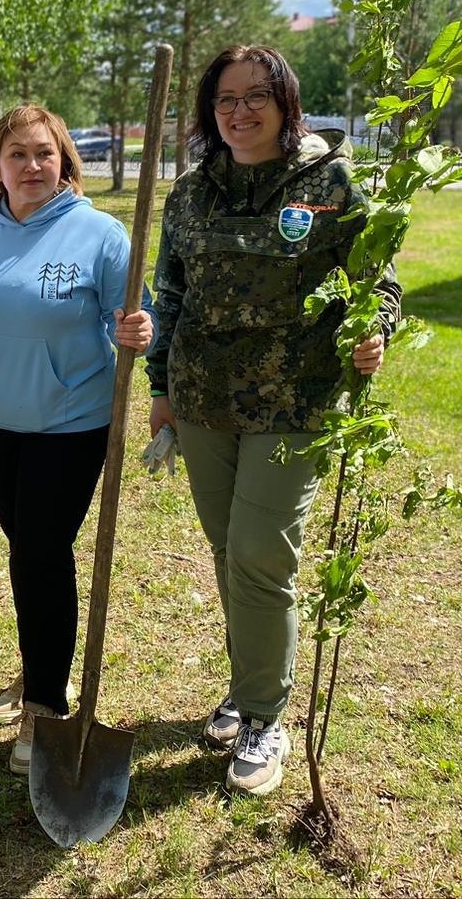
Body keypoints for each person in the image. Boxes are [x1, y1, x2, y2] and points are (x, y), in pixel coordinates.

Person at [147, 44, 401, 796]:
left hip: (294, 401)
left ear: (288, 103)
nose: (240, 111)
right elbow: (170, 295)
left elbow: (377, 281)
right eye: (225, 99)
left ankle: (265, 715)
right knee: (232, 554)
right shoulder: (192, 193)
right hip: (203, 401)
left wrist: (373, 327)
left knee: (261, 553)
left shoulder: (332, 184)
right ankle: (250, 683)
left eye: (257, 95)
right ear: (208, 111)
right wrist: (161, 386)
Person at [0, 104, 156, 774]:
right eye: (17, 156)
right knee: (28, 551)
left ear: (65, 160)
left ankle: (43, 706)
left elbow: (137, 317)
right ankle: (43, 667)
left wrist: (140, 333)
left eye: (44, 154)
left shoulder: (100, 236)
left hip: (71, 423)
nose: (32, 167)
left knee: (40, 549)